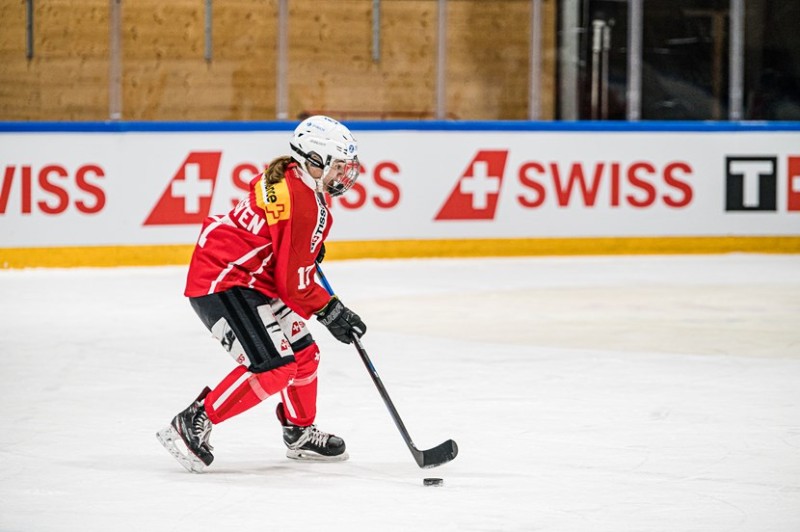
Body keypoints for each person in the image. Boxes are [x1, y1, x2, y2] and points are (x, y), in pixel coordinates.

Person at [156, 115, 367, 473]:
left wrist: (303, 250)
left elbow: (282, 250)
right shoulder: (304, 203)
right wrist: (331, 311)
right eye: (338, 167)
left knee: (305, 356)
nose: (344, 177)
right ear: (314, 162)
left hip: (252, 279)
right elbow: (294, 286)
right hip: (224, 280)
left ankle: (299, 433)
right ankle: (193, 421)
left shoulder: (290, 177)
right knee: (275, 368)